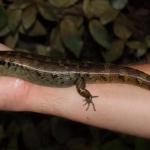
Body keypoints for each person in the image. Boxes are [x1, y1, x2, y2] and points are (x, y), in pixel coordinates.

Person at [0, 43, 150, 138]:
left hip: (78, 76)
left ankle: (88, 96)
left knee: (82, 88)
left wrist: (88, 97)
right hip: (76, 69)